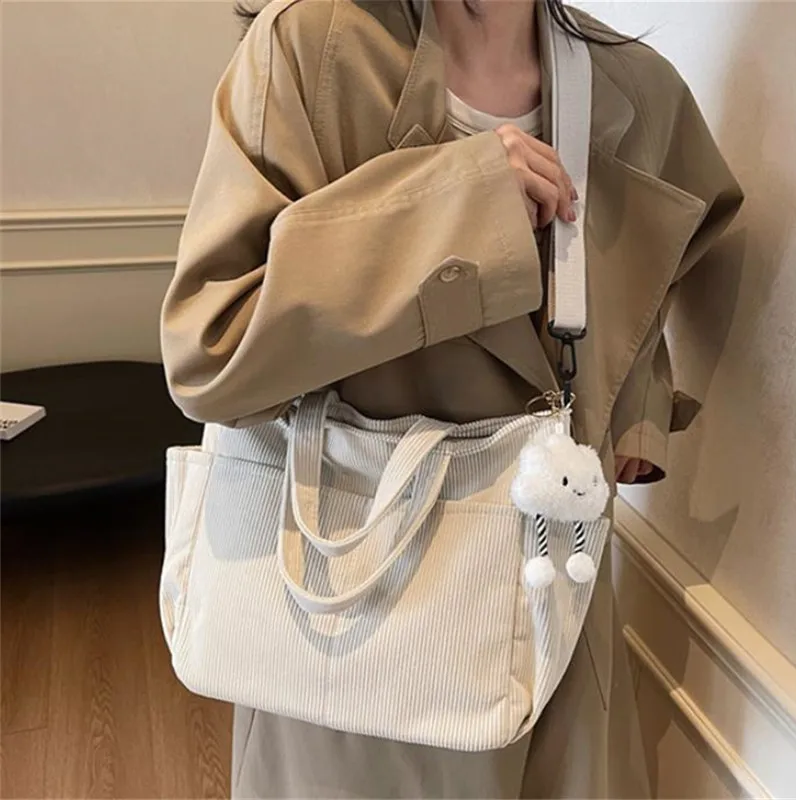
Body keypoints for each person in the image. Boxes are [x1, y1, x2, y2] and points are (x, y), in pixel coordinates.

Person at [160, 0, 743, 796]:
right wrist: (459, 205)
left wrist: (637, 409)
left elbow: (658, 261)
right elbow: (212, 351)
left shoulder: (637, 89)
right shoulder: (313, 52)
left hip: (550, 603)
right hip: (349, 614)